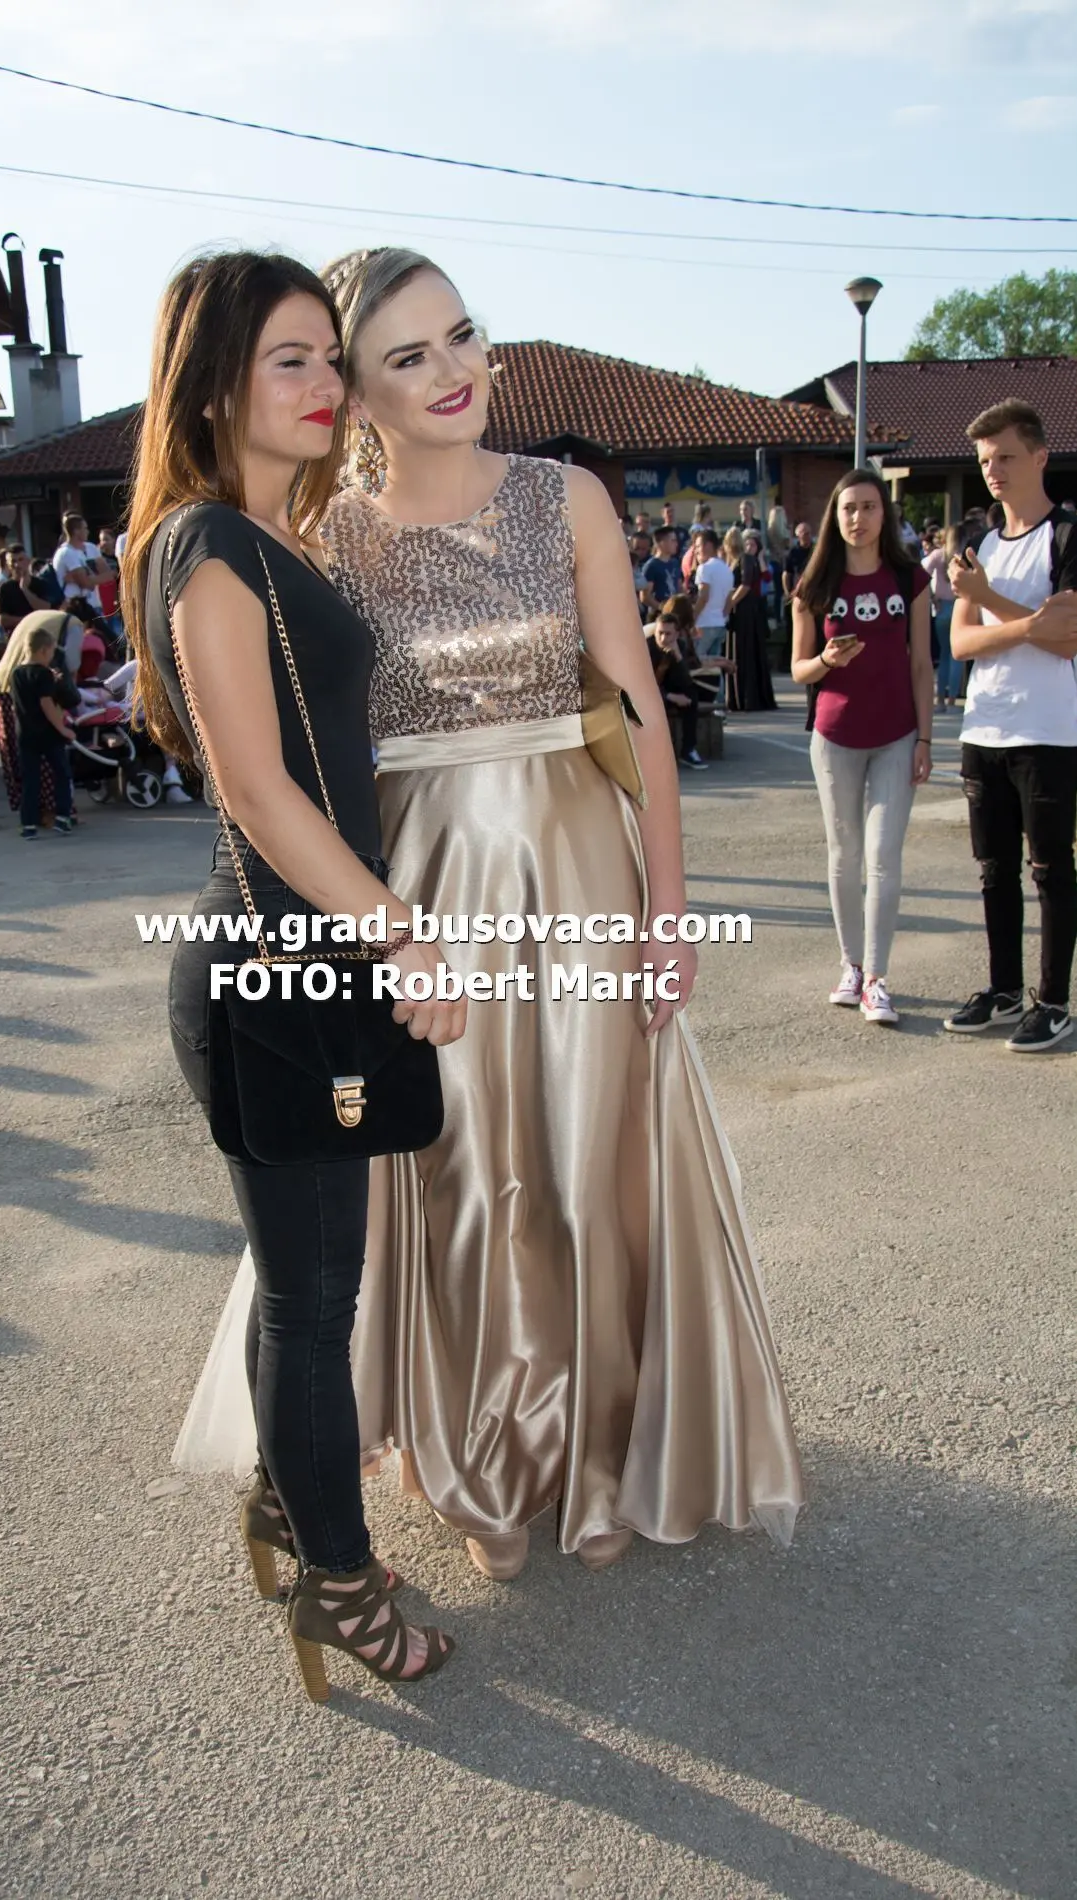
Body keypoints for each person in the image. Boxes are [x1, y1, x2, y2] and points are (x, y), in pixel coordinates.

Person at [319, 246, 802, 1580]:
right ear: (355, 394)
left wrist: (669, 907)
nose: (451, 370)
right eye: (407, 355)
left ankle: (593, 1449)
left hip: (579, 868)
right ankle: (477, 1458)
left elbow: (634, 706)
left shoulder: (563, 495)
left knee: (589, 1160)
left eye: (461, 334)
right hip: (425, 891)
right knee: (461, 1169)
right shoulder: (329, 537)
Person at [123, 249, 462, 1694]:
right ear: (213, 382)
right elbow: (258, 792)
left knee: (302, 1295)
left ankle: (289, 1507)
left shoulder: (266, 538)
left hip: (298, 964)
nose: (327, 384)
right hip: (282, 968)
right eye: (290, 359)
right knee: (314, 1307)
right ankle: (340, 1585)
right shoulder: (208, 545)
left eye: (332, 357)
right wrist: (399, 927)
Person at [943, 400, 1077, 1053]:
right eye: (984, 460)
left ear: (1039, 456)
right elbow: (961, 643)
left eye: (1005, 457)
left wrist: (990, 601)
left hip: (1048, 730)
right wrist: (1027, 624)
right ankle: (1003, 990)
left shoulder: (1068, 536)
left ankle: (1052, 1003)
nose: (993, 470)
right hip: (984, 726)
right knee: (993, 869)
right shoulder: (980, 544)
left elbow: (1067, 640)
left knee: (1049, 868)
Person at [792, 469, 933, 1027]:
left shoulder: (909, 579)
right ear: (835, 516)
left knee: (883, 856)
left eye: (869, 507)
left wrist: (926, 738)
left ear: (884, 514)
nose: (858, 518)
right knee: (844, 855)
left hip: (897, 735)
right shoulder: (815, 585)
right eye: (848, 508)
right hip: (834, 738)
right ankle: (850, 966)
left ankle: (877, 978)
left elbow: (922, 666)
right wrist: (826, 660)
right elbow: (799, 669)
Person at [8, 619, 76, 841]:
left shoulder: (16, 673)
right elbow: (46, 703)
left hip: (26, 733)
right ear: (44, 650)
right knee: (61, 773)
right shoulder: (44, 674)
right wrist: (63, 729)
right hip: (48, 733)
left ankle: (28, 823)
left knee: (30, 779)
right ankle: (63, 817)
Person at [648, 594, 710, 769]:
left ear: (676, 634)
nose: (663, 639)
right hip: (647, 694)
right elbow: (643, 686)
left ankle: (688, 750)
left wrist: (678, 656)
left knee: (691, 696)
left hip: (665, 690)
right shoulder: (646, 648)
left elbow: (685, 682)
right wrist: (669, 696)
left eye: (668, 634)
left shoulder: (679, 646)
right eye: (660, 633)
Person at [726, 529, 777, 713]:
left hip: (749, 609)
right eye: (746, 543)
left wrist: (729, 604)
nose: (748, 546)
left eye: (752, 544)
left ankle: (749, 697)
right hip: (742, 609)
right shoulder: (735, 560)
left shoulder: (747, 560)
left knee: (748, 651)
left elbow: (751, 583)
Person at [693, 527, 734, 694]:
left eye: (698, 546)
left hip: (704, 623)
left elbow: (703, 596)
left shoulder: (705, 568)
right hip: (719, 622)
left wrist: (692, 618)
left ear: (708, 545)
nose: (696, 550)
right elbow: (729, 600)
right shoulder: (726, 569)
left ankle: (700, 699)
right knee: (716, 666)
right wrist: (722, 616)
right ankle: (719, 700)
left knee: (696, 663)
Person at [924, 526, 961, 709]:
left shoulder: (938, 555)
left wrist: (932, 597)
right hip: (958, 605)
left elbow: (922, 574)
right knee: (957, 656)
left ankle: (939, 699)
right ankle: (952, 699)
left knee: (944, 654)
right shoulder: (962, 556)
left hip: (941, 607)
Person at [53, 513, 113, 609]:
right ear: (76, 531)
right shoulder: (66, 552)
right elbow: (86, 584)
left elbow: (109, 575)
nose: (88, 531)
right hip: (74, 607)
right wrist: (92, 578)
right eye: (85, 528)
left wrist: (83, 578)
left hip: (94, 605)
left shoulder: (90, 548)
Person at [641, 526, 683, 614]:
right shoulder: (651, 566)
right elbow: (645, 596)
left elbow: (679, 588)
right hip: (658, 615)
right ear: (661, 543)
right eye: (673, 540)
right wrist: (663, 609)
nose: (676, 544)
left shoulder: (675, 563)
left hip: (675, 614)